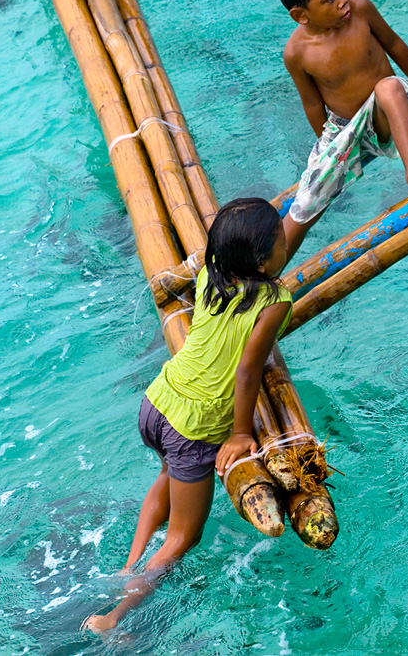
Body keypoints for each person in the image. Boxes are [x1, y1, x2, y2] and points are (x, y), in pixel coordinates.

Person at [83, 198, 292, 633]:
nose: (287, 241)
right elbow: (248, 368)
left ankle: (128, 566)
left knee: (166, 474)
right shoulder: (275, 300)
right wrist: (238, 433)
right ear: (260, 259)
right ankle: (112, 618)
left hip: (158, 401)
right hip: (194, 428)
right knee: (182, 538)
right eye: (281, 238)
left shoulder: (206, 278)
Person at [268, 0, 408, 260]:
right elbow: (313, 104)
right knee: (306, 200)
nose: (343, 0)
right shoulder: (296, 53)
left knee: (388, 86)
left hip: (386, 110)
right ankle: (271, 266)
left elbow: (395, 45)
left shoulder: (362, 10)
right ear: (301, 16)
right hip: (343, 127)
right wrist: (331, 149)